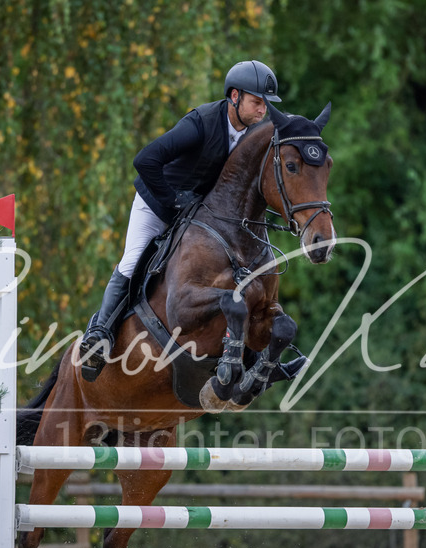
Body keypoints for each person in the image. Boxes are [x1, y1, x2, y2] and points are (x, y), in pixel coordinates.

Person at [78, 60, 282, 381]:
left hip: (200, 213)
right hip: (157, 204)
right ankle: (99, 334)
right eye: (257, 103)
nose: (262, 111)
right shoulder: (201, 123)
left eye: (266, 105)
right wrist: (172, 200)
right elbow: (145, 159)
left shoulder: (253, 134)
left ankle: (256, 357)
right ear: (234, 97)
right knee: (133, 261)